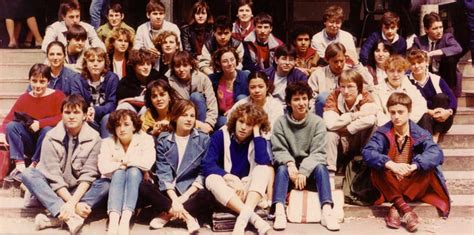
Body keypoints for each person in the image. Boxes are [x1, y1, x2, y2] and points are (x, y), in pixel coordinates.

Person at [21, 94, 110, 234]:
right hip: (55, 190)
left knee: (106, 184)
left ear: (85, 115)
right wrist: (72, 204)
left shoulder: (95, 138)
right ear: (61, 114)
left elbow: (89, 175)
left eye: (76, 112)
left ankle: (55, 220)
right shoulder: (50, 137)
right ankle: (71, 216)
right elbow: (53, 178)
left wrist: (73, 202)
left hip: (79, 191)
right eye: (67, 112)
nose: (71, 116)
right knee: (28, 173)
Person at [362, 92, 450, 232]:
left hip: (411, 179)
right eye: (393, 112)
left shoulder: (420, 132)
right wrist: (392, 165)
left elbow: (436, 153)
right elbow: (368, 152)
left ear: (409, 112)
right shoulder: (382, 132)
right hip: (390, 179)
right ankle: (407, 211)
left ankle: (396, 207)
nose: (396, 116)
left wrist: (415, 166)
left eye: (401, 112)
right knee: (377, 168)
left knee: (428, 169)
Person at [271, 82, 340, 231]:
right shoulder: (280, 123)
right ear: (289, 103)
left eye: (304, 98)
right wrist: (290, 163)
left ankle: (327, 210)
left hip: (309, 171)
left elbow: (318, 152)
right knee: (281, 169)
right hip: (291, 170)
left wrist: (304, 170)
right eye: (296, 99)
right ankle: (279, 210)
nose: (301, 103)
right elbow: (278, 149)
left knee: (322, 168)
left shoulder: (317, 122)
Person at [139, 100, 214, 233]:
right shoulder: (164, 139)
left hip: (190, 190)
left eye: (192, 116)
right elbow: (164, 172)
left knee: (207, 194)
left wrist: (182, 199)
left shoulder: (203, 139)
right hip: (169, 190)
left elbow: (203, 172)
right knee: (144, 186)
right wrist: (174, 200)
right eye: (184, 115)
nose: (189, 119)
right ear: (175, 116)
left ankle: (167, 215)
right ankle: (188, 217)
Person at [202, 103, 273, 235]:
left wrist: (257, 133)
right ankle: (256, 221)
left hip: (248, 192)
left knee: (263, 169)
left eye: (250, 124)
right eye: (241, 121)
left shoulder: (258, 139)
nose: (243, 127)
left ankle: (241, 222)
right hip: (227, 192)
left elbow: (263, 161)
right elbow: (207, 165)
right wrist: (230, 177)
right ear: (235, 120)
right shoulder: (221, 135)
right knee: (211, 179)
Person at [0, 64, 65, 183]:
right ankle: (20, 167)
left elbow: (63, 116)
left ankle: (34, 166)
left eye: (42, 81)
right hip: (30, 141)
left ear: (48, 82)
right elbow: (10, 118)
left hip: (49, 143)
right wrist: (2, 133)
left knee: (47, 130)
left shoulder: (57, 95)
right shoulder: (25, 98)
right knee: (12, 126)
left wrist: (41, 123)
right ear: (29, 81)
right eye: (34, 81)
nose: (37, 85)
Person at [98, 109, 155, 235]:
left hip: (138, 188)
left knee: (133, 171)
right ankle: (113, 221)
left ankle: (125, 220)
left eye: (126, 124)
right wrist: (121, 165)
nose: (122, 129)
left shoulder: (146, 139)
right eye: (118, 125)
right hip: (114, 188)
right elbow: (103, 167)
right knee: (119, 172)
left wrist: (122, 161)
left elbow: (147, 163)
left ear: (134, 126)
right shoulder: (107, 142)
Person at [323, 70, 377, 172]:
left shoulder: (365, 95)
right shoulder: (333, 96)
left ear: (359, 87)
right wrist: (353, 116)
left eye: (350, 86)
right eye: (342, 86)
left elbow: (371, 119)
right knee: (330, 134)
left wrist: (348, 128)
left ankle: (365, 166)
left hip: (357, 140)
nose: (346, 91)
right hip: (339, 143)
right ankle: (330, 173)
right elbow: (330, 124)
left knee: (372, 126)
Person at [309, 42, 373, 117]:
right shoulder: (318, 74)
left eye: (342, 61)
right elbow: (311, 99)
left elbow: (369, 85)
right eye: (335, 61)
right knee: (323, 96)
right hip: (326, 112)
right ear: (327, 60)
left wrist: (356, 64)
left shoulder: (352, 71)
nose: (339, 65)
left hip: (350, 111)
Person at [406, 49, 457, 143]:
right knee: (424, 115)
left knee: (441, 97)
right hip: (420, 120)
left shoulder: (436, 79)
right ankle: (429, 143)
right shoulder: (406, 81)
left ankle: (436, 134)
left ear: (426, 62)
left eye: (419, 62)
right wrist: (430, 112)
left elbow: (452, 99)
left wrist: (448, 111)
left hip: (442, 120)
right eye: (413, 63)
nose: (416, 66)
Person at [412, 12, 463, 97]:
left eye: (441, 27)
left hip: (447, 77)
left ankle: (449, 93)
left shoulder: (447, 37)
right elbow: (412, 56)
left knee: (450, 59)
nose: (439, 31)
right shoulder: (419, 41)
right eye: (435, 28)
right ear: (426, 29)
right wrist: (425, 57)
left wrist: (433, 53)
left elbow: (458, 48)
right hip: (428, 76)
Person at [73, 47, 119, 138]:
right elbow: (76, 101)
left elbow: (112, 103)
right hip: (86, 115)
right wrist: (86, 113)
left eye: (99, 61)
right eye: (91, 61)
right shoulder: (77, 79)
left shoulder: (112, 78)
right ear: (86, 63)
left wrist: (95, 110)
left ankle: (107, 149)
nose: (95, 64)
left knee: (107, 118)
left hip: (105, 114)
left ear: (105, 63)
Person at [168, 51, 218, 134]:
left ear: (191, 65)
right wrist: (196, 123)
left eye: (185, 65)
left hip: (204, 117)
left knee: (196, 96)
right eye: (177, 66)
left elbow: (212, 103)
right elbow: (179, 107)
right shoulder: (171, 83)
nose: (181, 69)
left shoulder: (203, 79)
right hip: (185, 118)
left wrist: (209, 123)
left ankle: (202, 134)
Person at [373, 55, 428, 127]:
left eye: (399, 71)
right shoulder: (377, 90)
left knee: (426, 118)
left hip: (410, 125)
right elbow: (378, 113)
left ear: (404, 72)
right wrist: (394, 125)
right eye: (392, 71)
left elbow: (421, 106)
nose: (395, 75)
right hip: (388, 127)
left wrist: (405, 122)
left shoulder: (410, 88)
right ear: (386, 72)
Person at [209, 47, 250, 129]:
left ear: (236, 60)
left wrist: (232, 111)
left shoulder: (246, 76)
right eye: (225, 61)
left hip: (242, 116)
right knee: (223, 121)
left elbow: (252, 100)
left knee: (242, 98)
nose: (230, 63)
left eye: (232, 59)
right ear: (219, 63)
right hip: (221, 116)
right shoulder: (212, 79)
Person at [133, 0, 181, 69]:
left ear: (164, 15)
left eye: (161, 14)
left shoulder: (172, 28)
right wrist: (146, 51)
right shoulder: (142, 29)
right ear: (148, 15)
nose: (158, 17)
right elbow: (136, 50)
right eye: (155, 14)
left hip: (169, 66)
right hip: (148, 66)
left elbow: (179, 50)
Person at [116, 48, 164, 114]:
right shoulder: (126, 82)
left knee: (145, 110)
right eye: (142, 64)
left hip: (154, 109)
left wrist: (136, 98)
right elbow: (121, 99)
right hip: (133, 111)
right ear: (134, 66)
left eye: (148, 64)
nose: (146, 67)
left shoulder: (158, 77)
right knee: (123, 107)